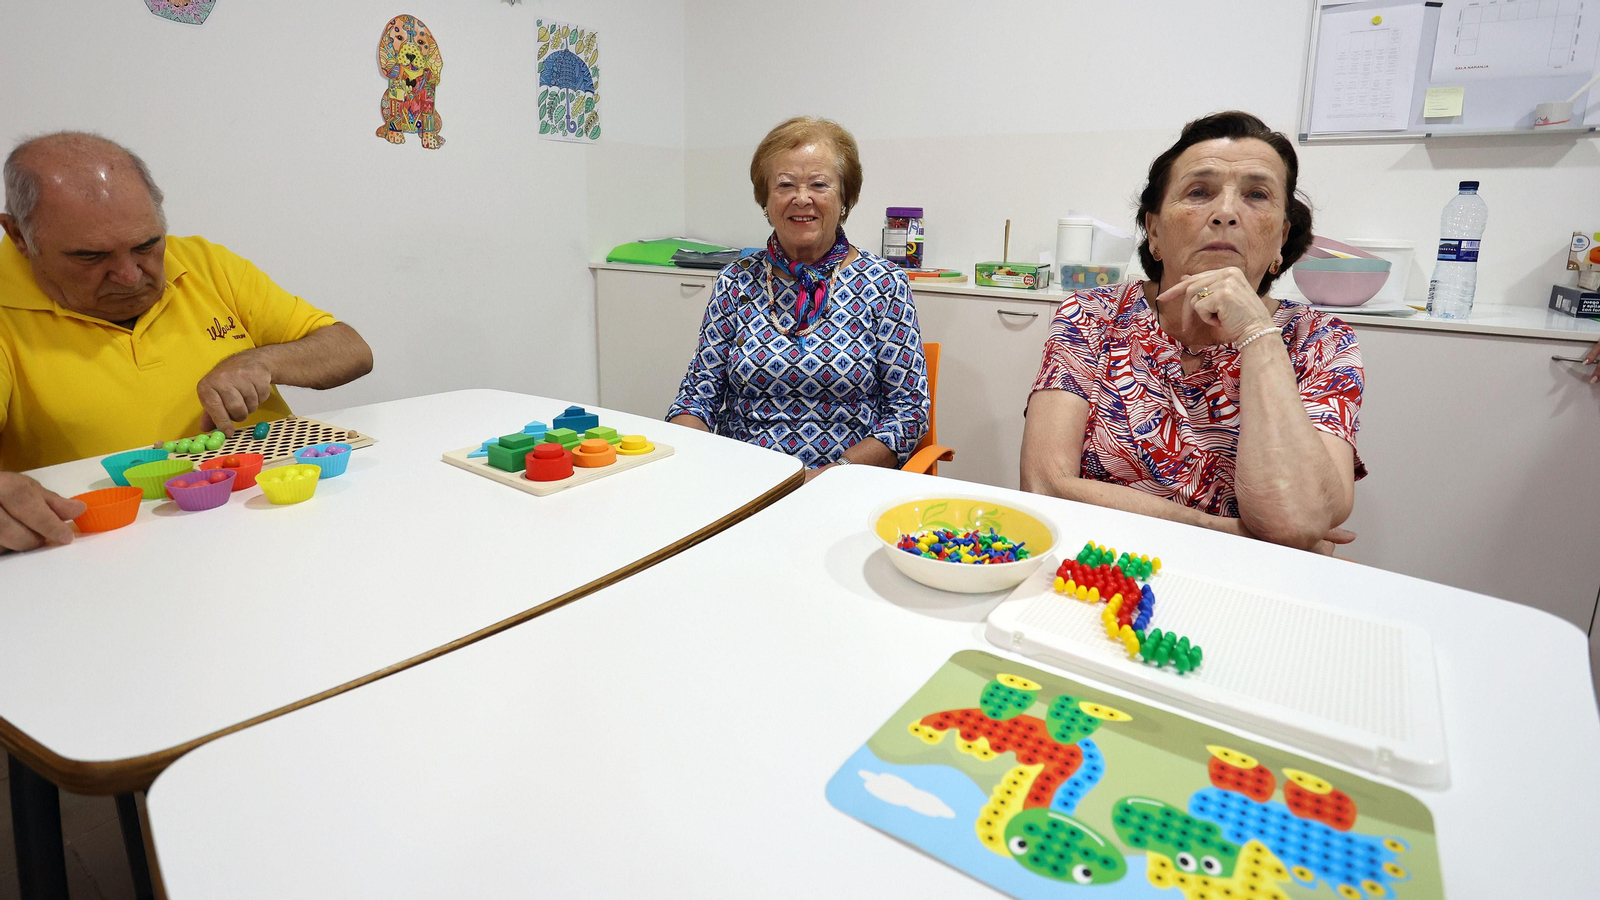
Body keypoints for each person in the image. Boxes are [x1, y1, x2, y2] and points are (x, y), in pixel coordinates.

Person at [0, 132, 373, 551]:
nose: (129, 275)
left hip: (276, 515)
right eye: (90, 256)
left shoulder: (204, 264)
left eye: (146, 245)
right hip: (115, 550)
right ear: (18, 236)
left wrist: (260, 361)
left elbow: (351, 349)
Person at [1020, 111, 1364, 553]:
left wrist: (1256, 333)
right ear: (1156, 231)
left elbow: (1297, 520)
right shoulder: (1093, 315)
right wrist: (1220, 529)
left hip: (1251, 585)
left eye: (1256, 195)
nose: (1225, 213)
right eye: (1199, 192)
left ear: (1281, 237)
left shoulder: (1320, 340)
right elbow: (1045, 485)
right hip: (1102, 565)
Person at [668, 117, 928, 483]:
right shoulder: (736, 281)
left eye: (819, 184)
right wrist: (688, 453)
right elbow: (698, 394)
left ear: (844, 199)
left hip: (842, 484)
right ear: (766, 200)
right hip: (741, 483)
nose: (801, 198)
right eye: (785, 184)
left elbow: (909, 412)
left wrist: (828, 477)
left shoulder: (883, 283)